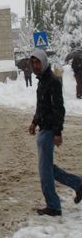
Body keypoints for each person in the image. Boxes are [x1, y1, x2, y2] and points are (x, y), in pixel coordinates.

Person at [27, 49, 82, 216]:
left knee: (45, 171)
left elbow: (59, 109)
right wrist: (34, 122)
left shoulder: (52, 81)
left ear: (44, 62)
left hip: (50, 130)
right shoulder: (42, 81)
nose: (35, 66)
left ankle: (54, 206)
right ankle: (78, 184)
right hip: (43, 129)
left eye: (38, 62)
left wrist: (58, 132)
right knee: (48, 168)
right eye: (33, 63)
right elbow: (41, 107)